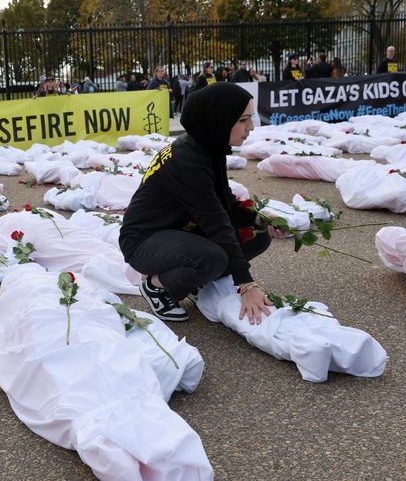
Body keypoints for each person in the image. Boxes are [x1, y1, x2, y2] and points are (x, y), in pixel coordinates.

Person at [119, 82, 286, 323]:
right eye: (242, 120)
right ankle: (157, 287)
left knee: (256, 234)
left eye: (250, 119)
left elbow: (223, 203)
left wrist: (259, 218)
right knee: (213, 257)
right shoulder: (188, 160)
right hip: (144, 241)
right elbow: (216, 223)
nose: (250, 128)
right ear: (218, 118)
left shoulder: (209, 146)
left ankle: (198, 281)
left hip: (179, 230)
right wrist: (246, 285)